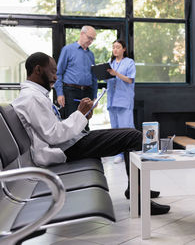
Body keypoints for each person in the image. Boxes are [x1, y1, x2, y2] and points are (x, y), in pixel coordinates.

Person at [12, 52, 169, 215]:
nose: (55, 77)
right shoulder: (31, 98)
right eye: (52, 71)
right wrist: (80, 114)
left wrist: (83, 115)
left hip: (69, 143)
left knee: (131, 134)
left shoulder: (35, 96)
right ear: (38, 70)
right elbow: (54, 135)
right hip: (66, 149)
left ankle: (136, 190)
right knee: (134, 137)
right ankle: (139, 198)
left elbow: (53, 129)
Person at [54, 25, 98, 121]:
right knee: (71, 122)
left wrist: (95, 97)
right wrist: (60, 93)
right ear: (82, 34)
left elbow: (94, 77)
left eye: (93, 39)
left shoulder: (91, 55)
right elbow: (59, 73)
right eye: (89, 38)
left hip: (87, 93)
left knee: (85, 123)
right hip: (71, 92)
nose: (90, 41)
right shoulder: (67, 50)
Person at [106, 39, 136, 164]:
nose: (115, 49)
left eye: (118, 47)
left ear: (124, 49)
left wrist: (115, 73)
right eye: (113, 47)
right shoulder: (110, 62)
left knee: (126, 128)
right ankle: (119, 153)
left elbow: (129, 80)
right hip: (112, 100)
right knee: (115, 129)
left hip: (124, 99)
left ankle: (130, 152)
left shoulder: (129, 62)